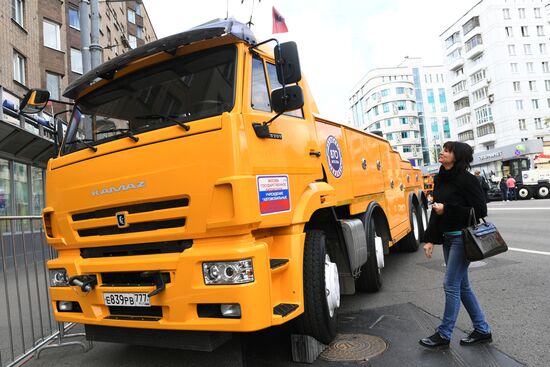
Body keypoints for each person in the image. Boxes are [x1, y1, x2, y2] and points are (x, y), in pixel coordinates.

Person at [420, 141, 492, 348]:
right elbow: (436, 210)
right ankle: (482, 329)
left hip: (463, 238)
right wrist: (430, 239)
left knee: (450, 285)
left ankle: (444, 334)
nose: (442, 152)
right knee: (462, 287)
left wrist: (448, 209)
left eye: (448, 150)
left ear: (457, 156)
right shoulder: (439, 178)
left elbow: (480, 210)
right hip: (448, 238)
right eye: (443, 149)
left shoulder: (467, 180)